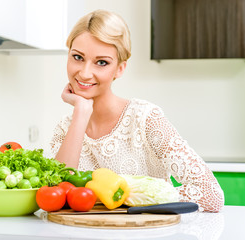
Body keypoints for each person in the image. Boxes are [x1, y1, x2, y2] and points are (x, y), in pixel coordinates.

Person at [49, 9, 224, 212]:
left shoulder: (145, 118)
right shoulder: (65, 128)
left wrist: (134, 198)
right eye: (78, 57)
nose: (85, 73)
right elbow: (56, 197)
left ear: (120, 69)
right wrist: (81, 112)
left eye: (102, 62)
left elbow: (212, 194)